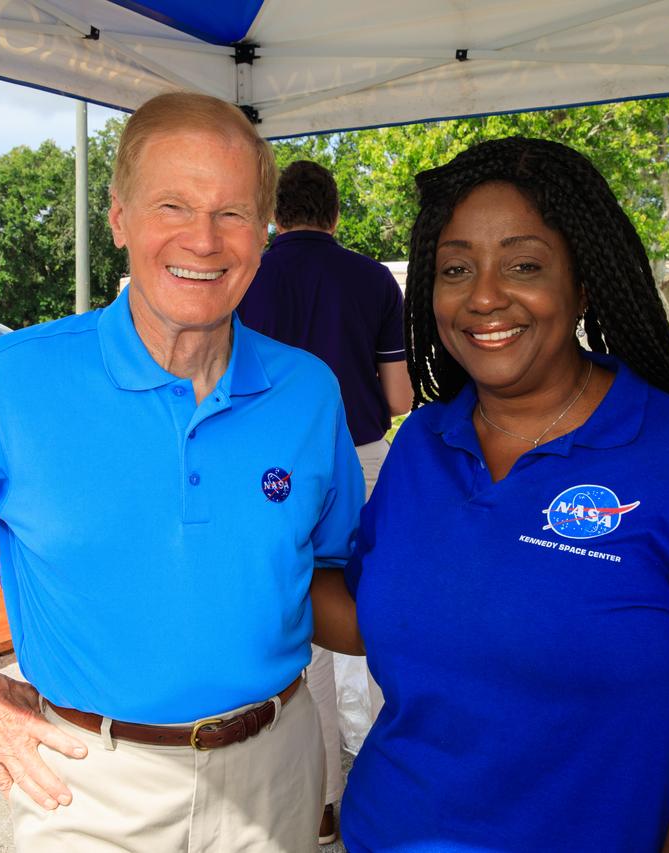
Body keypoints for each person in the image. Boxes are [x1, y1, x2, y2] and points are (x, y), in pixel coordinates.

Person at [0, 92, 363, 852]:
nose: (204, 238)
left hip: (278, 765)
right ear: (120, 217)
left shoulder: (308, 393)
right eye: (173, 205)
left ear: (263, 233)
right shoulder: (11, 380)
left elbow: (329, 573)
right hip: (93, 785)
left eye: (232, 212)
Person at [310, 138, 669, 851]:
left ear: (582, 283)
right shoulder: (423, 443)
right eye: (456, 268)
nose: (484, 294)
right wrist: (233, 549)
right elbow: (373, 616)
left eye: (524, 264)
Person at [237, 159, 411, 845]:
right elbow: (399, 397)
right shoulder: (373, 279)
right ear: (336, 214)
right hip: (364, 457)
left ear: (275, 214)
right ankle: (381, 784)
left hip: (268, 469)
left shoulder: (248, 275)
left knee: (300, 624)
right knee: (367, 617)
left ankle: (318, 801)